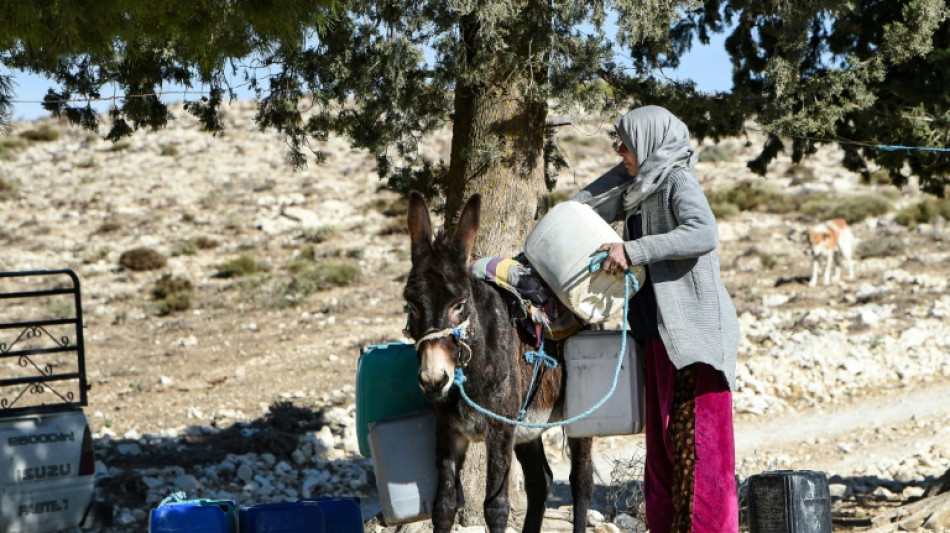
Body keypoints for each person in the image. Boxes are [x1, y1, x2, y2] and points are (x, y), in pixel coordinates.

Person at [572, 105, 740, 533]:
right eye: (620, 144)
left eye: (627, 144)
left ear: (649, 144)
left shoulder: (676, 179)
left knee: (701, 457)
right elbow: (586, 205)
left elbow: (704, 232)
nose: (621, 153)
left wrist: (634, 251)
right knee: (665, 456)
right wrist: (565, 218)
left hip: (693, 341)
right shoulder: (641, 183)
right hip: (657, 337)